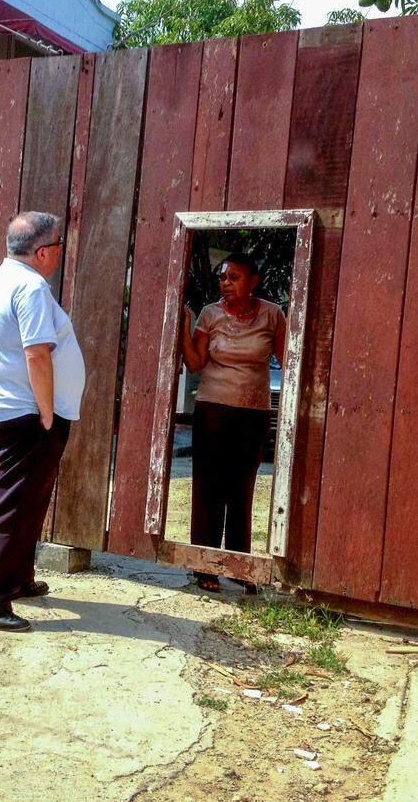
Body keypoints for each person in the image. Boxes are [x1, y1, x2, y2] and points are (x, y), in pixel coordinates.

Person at [0, 212, 85, 632]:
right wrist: (47, 412)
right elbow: (37, 354)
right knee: (13, 507)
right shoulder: (30, 287)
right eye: (59, 245)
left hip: (12, 410)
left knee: (30, 501)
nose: (60, 253)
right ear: (42, 252)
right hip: (28, 414)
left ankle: (16, 578)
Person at [179, 252, 285, 593]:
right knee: (208, 487)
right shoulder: (210, 314)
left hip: (253, 415)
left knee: (241, 490)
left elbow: (288, 358)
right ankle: (205, 565)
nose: (226, 283)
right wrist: (183, 326)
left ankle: (239, 566)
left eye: (234, 277)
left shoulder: (272, 314)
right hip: (212, 411)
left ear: (253, 282)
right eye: (223, 278)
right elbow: (195, 362)